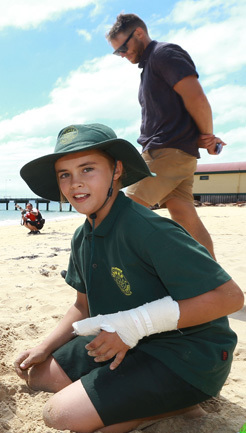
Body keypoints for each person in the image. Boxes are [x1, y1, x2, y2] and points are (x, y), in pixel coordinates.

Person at [14, 123, 243, 433]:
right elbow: (82, 306)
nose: (75, 183)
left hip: (188, 353)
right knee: (38, 375)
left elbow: (230, 297)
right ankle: (128, 396)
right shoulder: (83, 237)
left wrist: (136, 324)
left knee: (61, 415)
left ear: (117, 170)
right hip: (127, 339)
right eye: (64, 174)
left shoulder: (147, 229)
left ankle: (182, 403)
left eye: (87, 169)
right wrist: (44, 346)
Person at [106, 13, 225, 259]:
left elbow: (196, 97)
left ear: (139, 33)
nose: (122, 55)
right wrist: (202, 136)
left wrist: (208, 135)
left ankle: (100, 277)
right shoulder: (150, 65)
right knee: (185, 216)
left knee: (122, 211)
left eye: (123, 48)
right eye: (117, 52)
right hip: (177, 153)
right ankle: (215, 281)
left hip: (167, 151)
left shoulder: (164, 54)